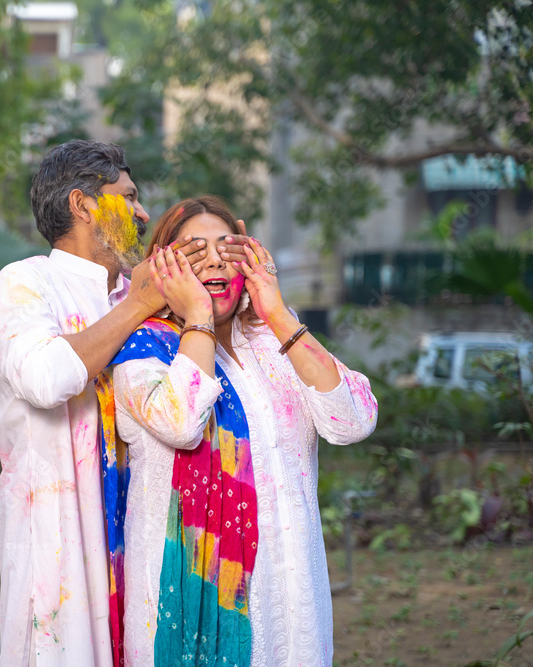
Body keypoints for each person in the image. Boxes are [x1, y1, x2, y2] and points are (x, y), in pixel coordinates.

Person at [0, 144, 252, 666]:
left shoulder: (139, 293)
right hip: (63, 544)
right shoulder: (25, 284)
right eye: (129, 197)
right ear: (83, 205)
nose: (143, 213)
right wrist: (140, 304)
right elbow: (44, 378)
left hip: (145, 548)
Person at [98, 196, 378, 666]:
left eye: (226, 250)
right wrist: (198, 318)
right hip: (187, 604)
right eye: (193, 253)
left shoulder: (274, 343)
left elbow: (353, 422)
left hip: (291, 598)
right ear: (164, 267)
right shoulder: (142, 351)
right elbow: (182, 422)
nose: (213, 262)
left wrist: (276, 310)